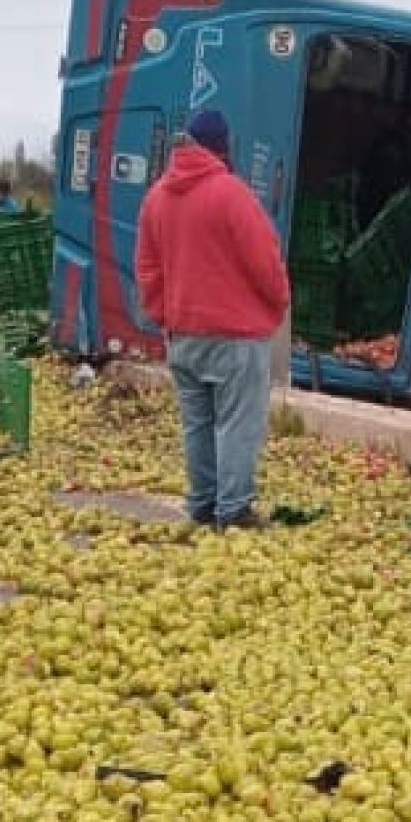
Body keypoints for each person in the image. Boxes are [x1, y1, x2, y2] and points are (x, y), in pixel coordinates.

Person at [134, 110, 291, 528]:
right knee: (237, 423)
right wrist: (278, 303)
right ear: (222, 147)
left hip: (184, 334)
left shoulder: (157, 198)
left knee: (198, 424)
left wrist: (166, 315)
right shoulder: (230, 193)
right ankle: (234, 509)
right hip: (235, 334)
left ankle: (203, 504)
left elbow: (148, 269)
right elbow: (265, 261)